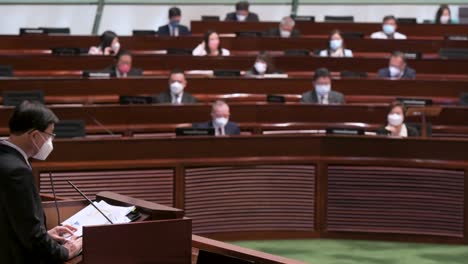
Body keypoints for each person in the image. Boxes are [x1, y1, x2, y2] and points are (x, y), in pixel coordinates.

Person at [0, 101, 82, 263]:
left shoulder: (5, 158)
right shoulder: (17, 171)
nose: (51, 141)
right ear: (35, 136)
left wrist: (46, 235)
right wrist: (66, 251)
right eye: (50, 135)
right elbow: (32, 238)